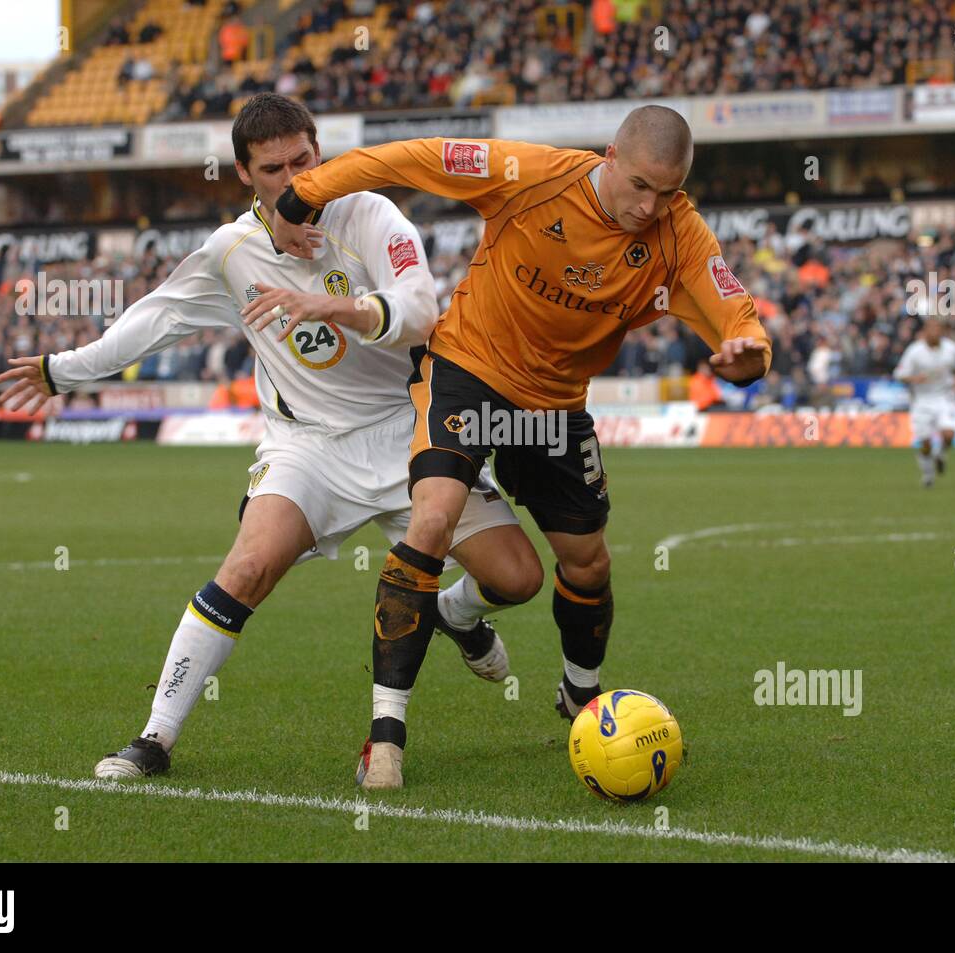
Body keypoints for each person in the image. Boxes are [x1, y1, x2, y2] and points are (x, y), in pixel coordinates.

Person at [0, 94, 542, 784]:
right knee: (248, 567)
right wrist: (59, 371)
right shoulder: (231, 252)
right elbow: (152, 319)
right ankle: (154, 739)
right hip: (305, 446)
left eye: (304, 160)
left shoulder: (373, 215)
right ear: (246, 174)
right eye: (273, 168)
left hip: (409, 435)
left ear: (321, 152)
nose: (293, 179)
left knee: (518, 577)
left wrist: (332, 304)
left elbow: (419, 312)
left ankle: (456, 612)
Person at [267, 105, 771, 788]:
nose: (650, 206)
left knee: (585, 563)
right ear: (610, 156)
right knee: (434, 519)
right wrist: (307, 191)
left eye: (668, 191)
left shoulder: (680, 233)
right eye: (641, 186)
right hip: (469, 372)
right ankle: (385, 738)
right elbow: (411, 157)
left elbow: (734, 315)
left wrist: (749, 354)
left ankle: (580, 696)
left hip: (555, 409)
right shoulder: (529, 174)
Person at [893, 317, 955, 488]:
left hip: (945, 397)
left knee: (949, 435)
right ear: (925, 332)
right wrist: (914, 378)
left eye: (938, 329)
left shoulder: (952, 349)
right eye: (931, 330)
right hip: (922, 400)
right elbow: (899, 374)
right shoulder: (915, 351)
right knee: (925, 442)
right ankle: (928, 473)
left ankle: (940, 455)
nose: (935, 333)